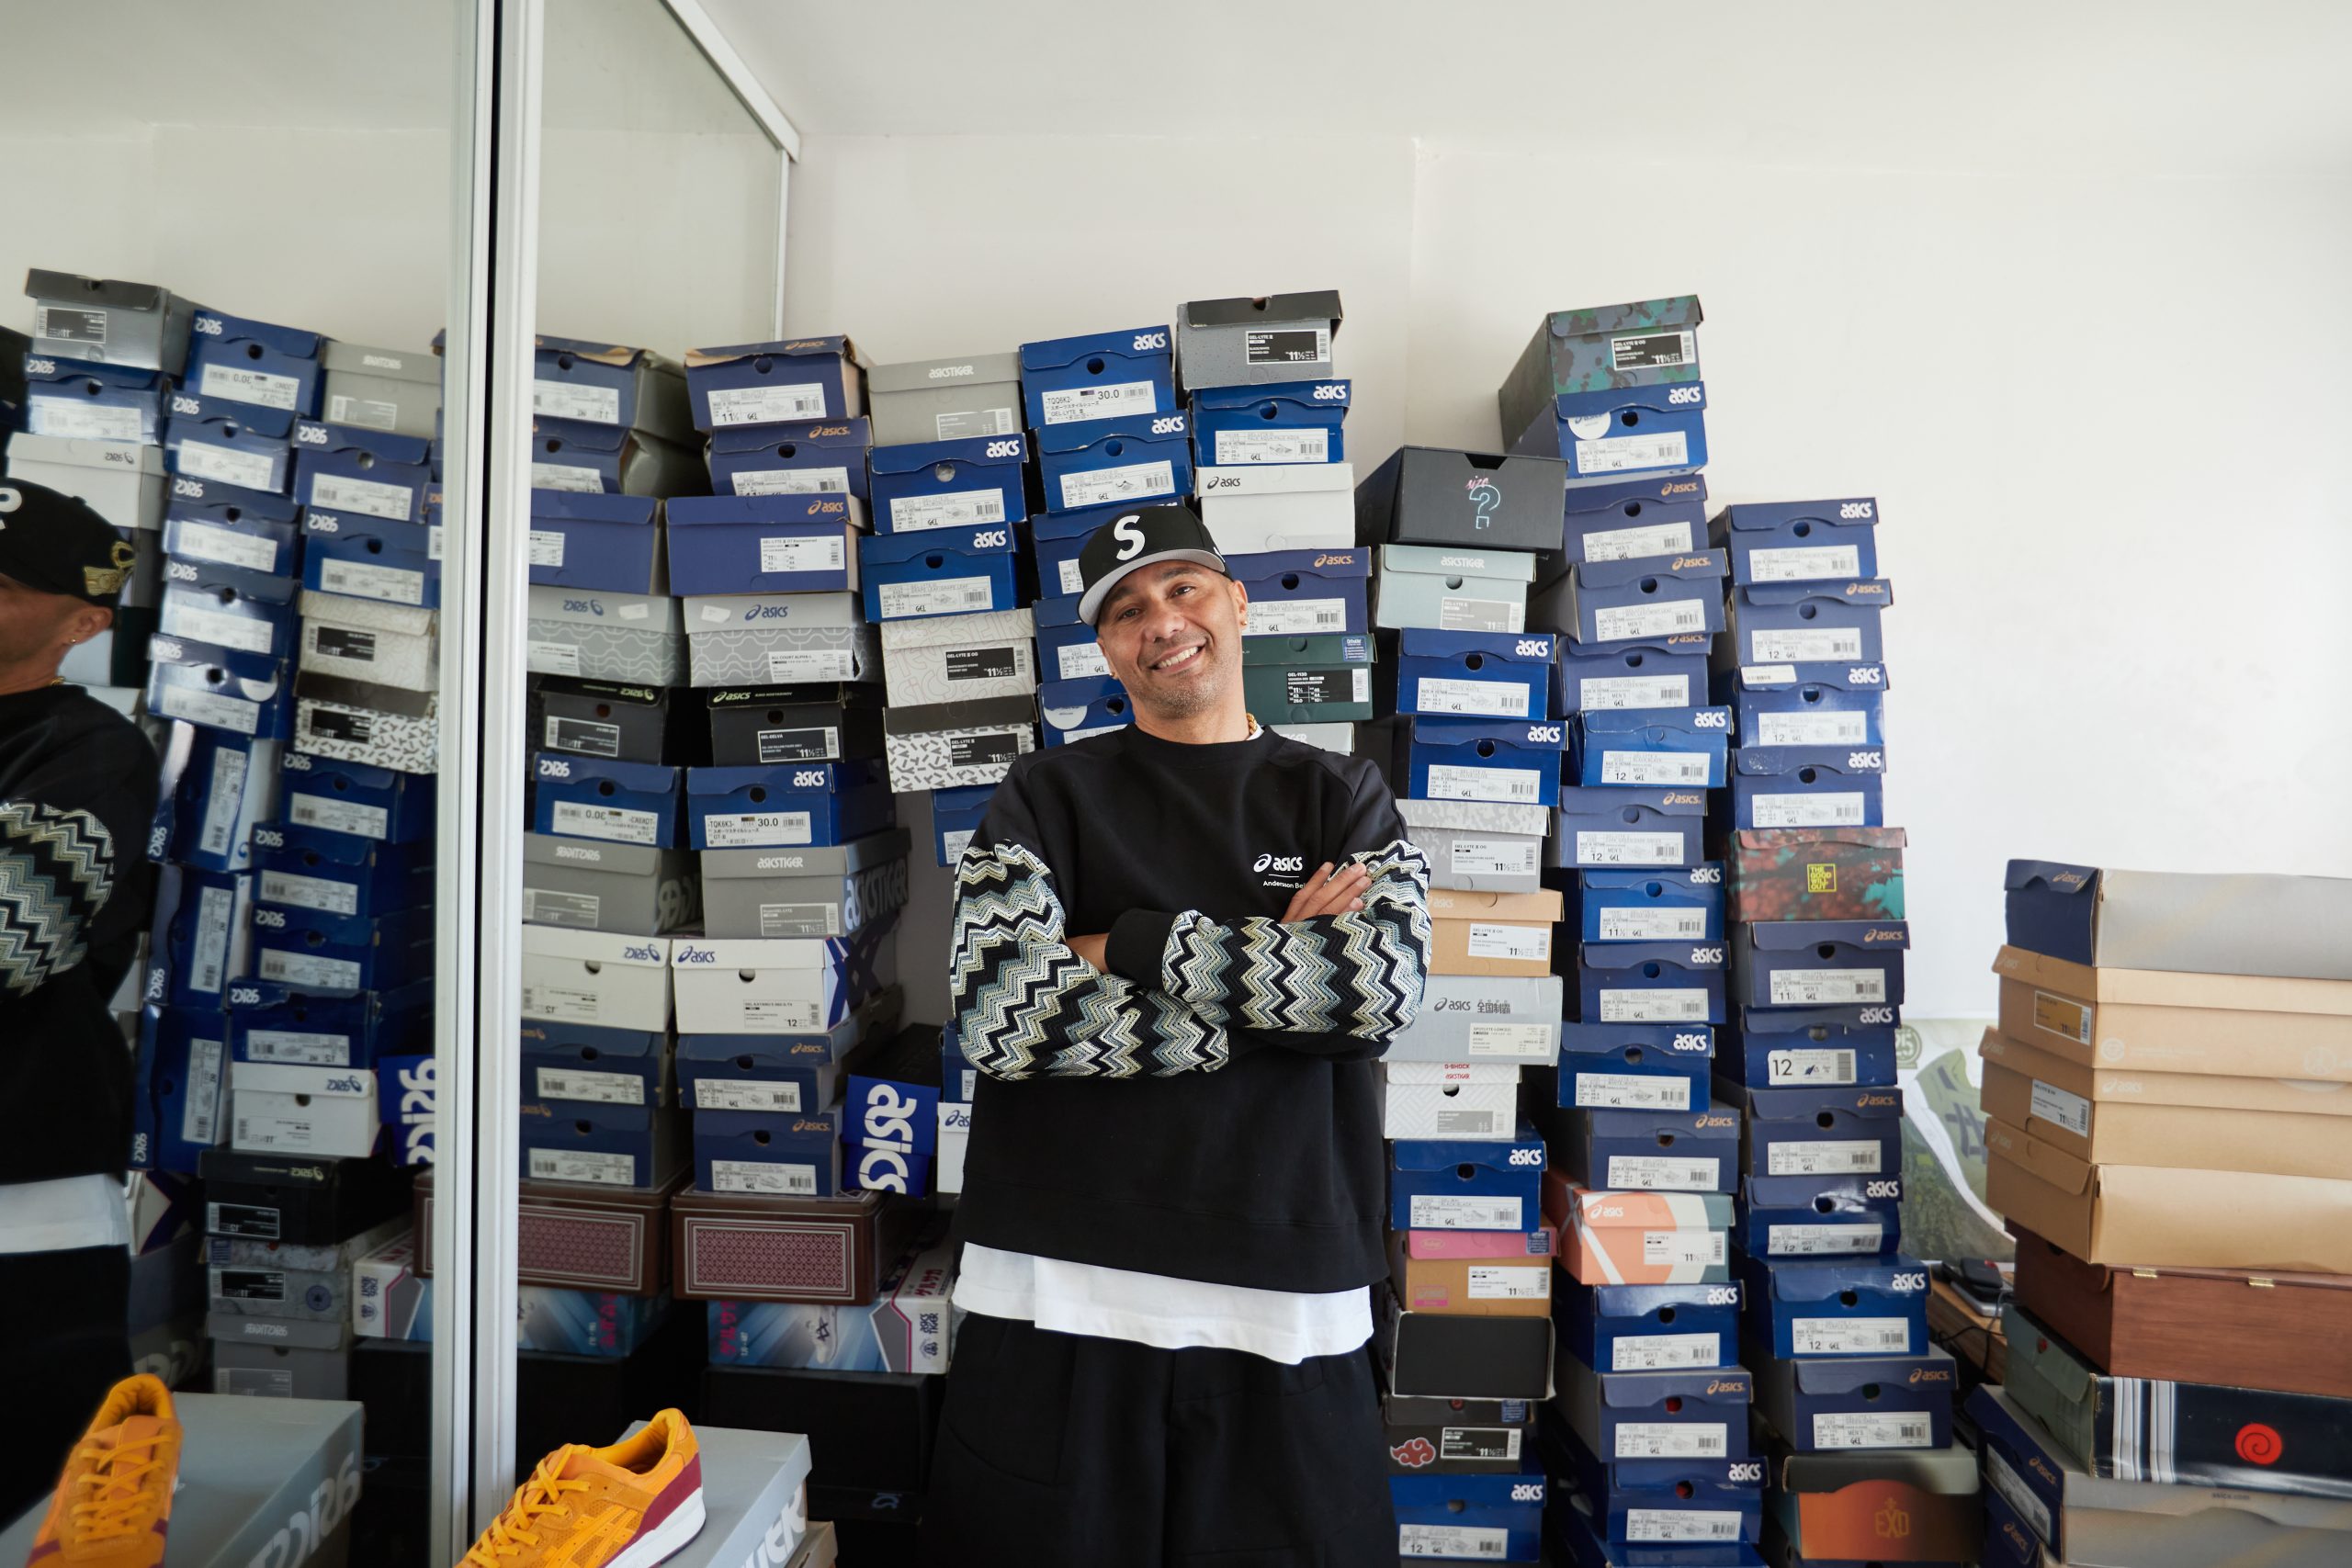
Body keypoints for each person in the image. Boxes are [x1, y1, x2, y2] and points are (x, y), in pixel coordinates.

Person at [924, 503, 1430, 1566]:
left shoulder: (1341, 794)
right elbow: (1002, 1016)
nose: (1160, 621)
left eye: (1182, 587)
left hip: (1286, 1290)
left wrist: (1130, 941)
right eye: (1125, 610)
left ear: (1236, 603)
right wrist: (1276, 996)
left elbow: (1374, 992)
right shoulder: (1042, 794)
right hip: (1053, 1286)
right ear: (1106, 648)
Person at [0, 479, 159, 1518]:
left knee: (36, 1491)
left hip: (25, 1184)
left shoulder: (89, 750)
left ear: (83, 624)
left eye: (3, 586)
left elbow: (10, 938)